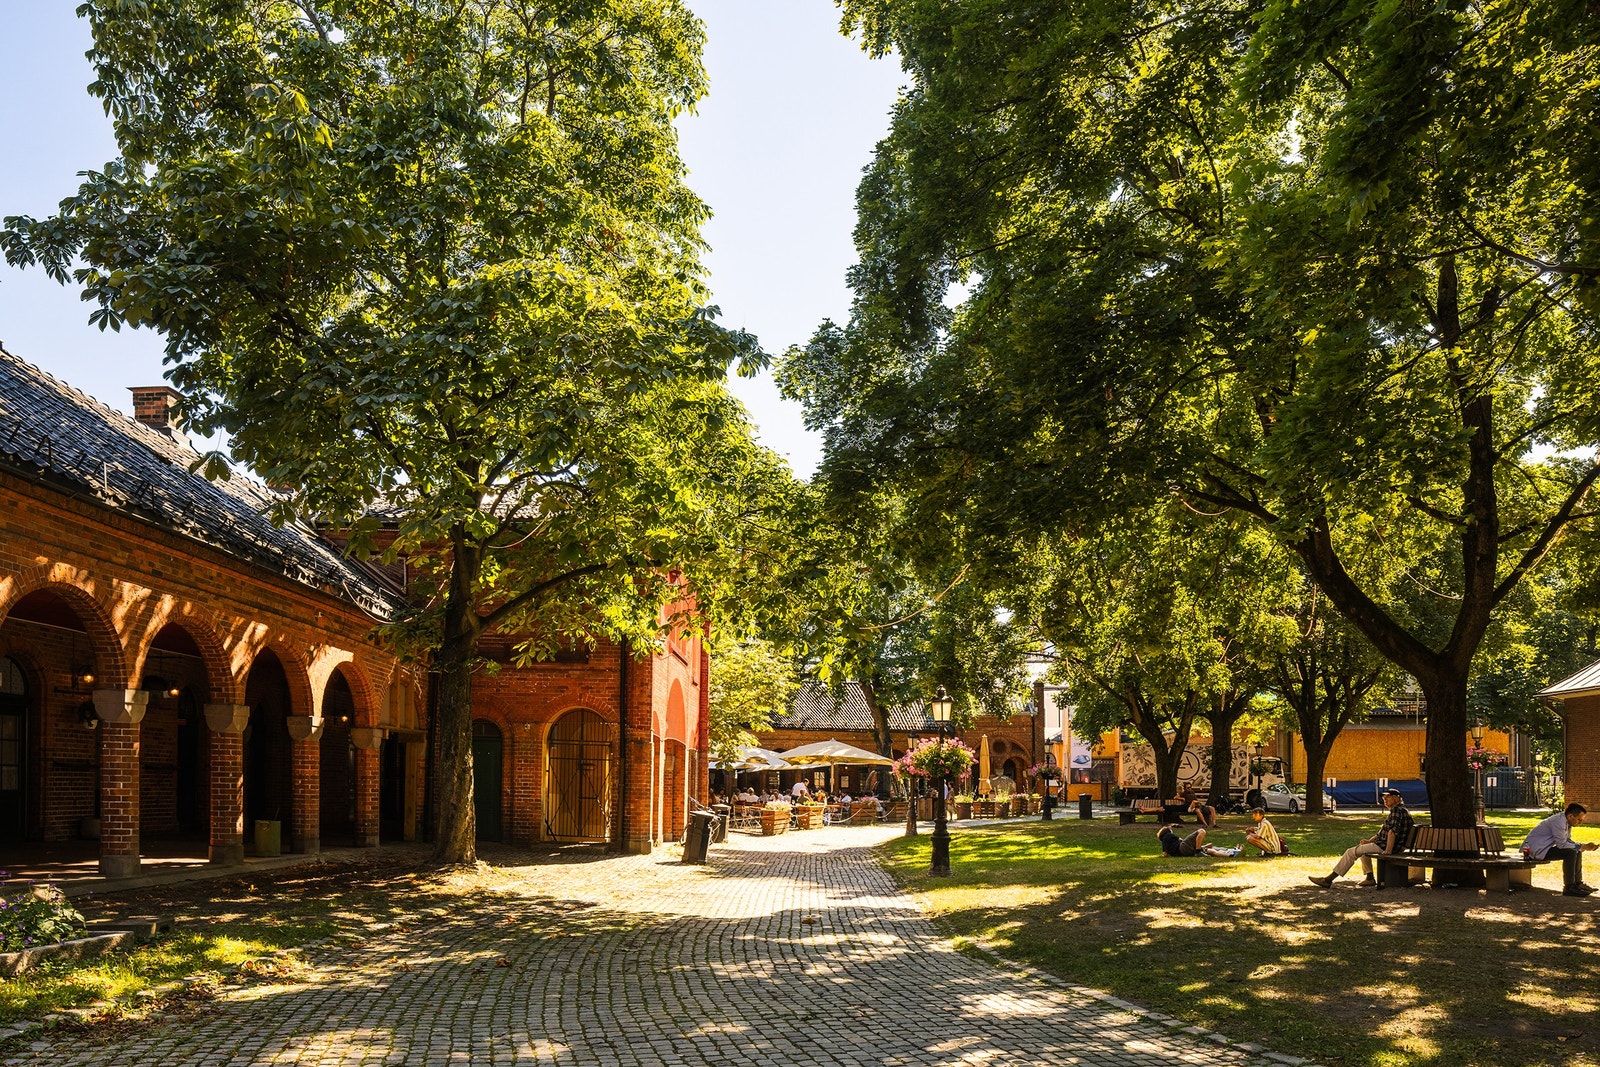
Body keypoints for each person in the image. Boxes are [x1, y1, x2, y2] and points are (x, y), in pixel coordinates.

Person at [1309, 788, 1412, 888]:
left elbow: (1392, 832)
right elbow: (1382, 833)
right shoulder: (1403, 811)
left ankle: (1327, 880)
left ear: (1396, 798)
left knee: (1351, 852)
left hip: (1386, 846)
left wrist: (1388, 850)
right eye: (1384, 799)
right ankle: (1370, 878)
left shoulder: (1396, 811)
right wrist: (1369, 841)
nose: (1384, 801)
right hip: (1391, 845)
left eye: (1387, 798)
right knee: (1363, 850)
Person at [1522, 802, 1598, 897]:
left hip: (1543, 848)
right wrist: (1583, 846)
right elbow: (1562, 844)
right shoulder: (1559, 822)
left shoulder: (1566, 822)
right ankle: (1569, 887)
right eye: (1579, 819)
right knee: (1570, 853)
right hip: (1536, 851)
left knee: (1576, 851)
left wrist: (1582, 846)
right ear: (1570, 816)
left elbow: (1567, 841)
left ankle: (1578, 884)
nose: (1581, 822)